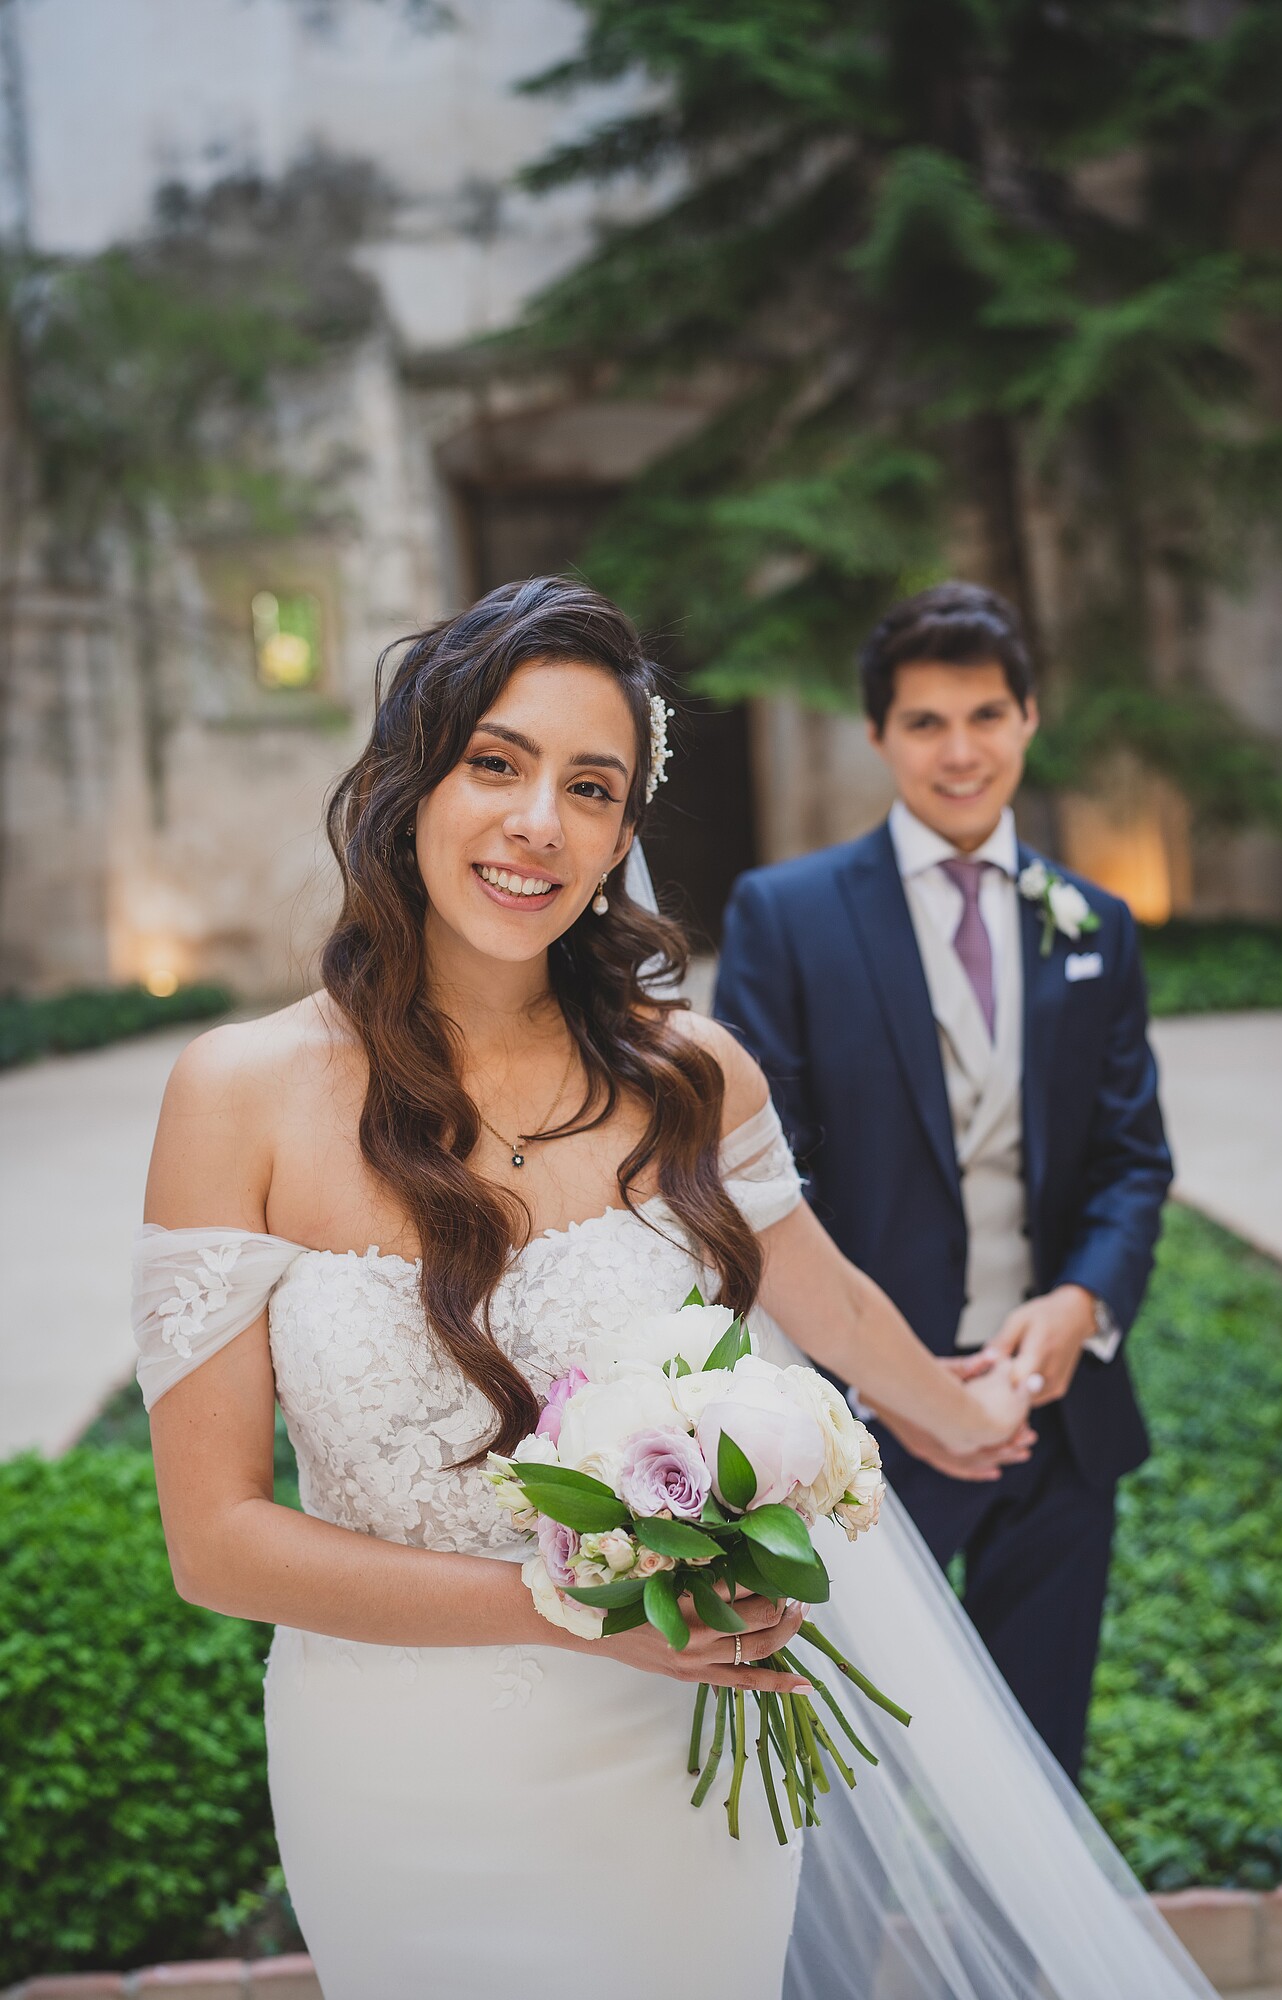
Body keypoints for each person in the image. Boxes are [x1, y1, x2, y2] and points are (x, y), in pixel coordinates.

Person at [134, 578, 1211, 2000]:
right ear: (410, 779)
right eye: (496, 764)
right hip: (390, 1771)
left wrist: (961, 1407)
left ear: (623, 834)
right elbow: (216, 1543)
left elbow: (824, 1304)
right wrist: (576, 1603)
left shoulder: (692, 1077)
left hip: (682, 1769)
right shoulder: (238, 1096)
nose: (540, 824)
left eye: (592, 786)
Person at [713, 580, 1173, 1784]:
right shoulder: (788, 914)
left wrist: (1081, 1304)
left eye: (986, 714)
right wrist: (895, 1384)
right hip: (865, 1426)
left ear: (1029, 717)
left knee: (1038, 1768)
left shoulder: (1096, 923)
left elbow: (1134, 1158)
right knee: (850, 1781)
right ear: (878, 735)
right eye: (925, 721)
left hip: (1057, 1418)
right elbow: (764, 1181)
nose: (960, 750)